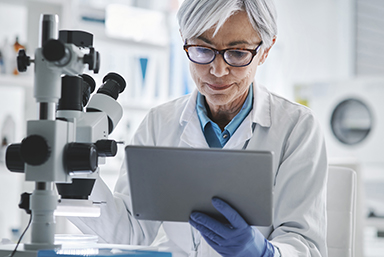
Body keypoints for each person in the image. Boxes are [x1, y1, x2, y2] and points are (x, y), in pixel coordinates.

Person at [70, 0, 328, 256]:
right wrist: (75, 173)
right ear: (184, 40)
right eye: (203, 50)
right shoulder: (159, 123)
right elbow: (131, 232)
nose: (217, 70)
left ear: (265, 51)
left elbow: (303, 242)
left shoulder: (297, 128)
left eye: (237, 53)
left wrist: (263, 253)